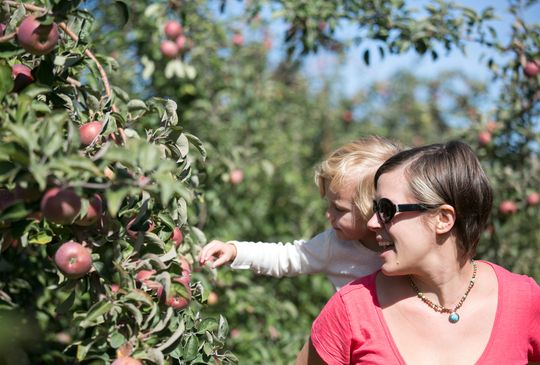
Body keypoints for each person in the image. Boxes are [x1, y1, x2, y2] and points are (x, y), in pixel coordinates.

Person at [297, 140, 540, 365]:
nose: (372, 223)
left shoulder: (523, 300)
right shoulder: (352, 309)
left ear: (443, 219)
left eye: (385, 209)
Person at [198, 136, 402, 291]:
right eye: (329, 206)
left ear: (373, 208)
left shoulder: (406, 242)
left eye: (339, 209)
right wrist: (236, 251)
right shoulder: (334, 245)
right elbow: (288, 257)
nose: (328, 215)